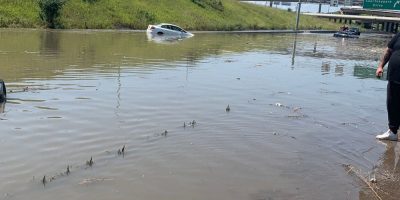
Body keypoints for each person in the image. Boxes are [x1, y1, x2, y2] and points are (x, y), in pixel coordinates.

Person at [376, 32, 400, 141]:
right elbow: (389, 50)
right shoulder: (399, 35)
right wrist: (380, 66)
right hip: (394, 76)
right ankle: (392, 132)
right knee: (392, 103)